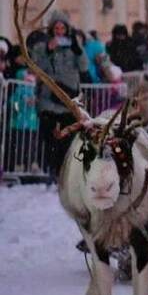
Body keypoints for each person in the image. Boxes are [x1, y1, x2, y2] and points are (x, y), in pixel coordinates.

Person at [30, 10, 89, 178]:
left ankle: (64, 171)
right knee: (50, 138)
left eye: (62, 28)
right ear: (51, 29)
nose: (60, 31)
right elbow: (36, 69)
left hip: (69, 100)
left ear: (67, 29)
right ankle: (52, 170)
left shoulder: (74, 46)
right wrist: (48, 51)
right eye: (56, 28)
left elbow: (84, 67)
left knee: (68, 139)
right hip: (48, 99)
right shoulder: (41, 47)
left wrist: (78, 50)